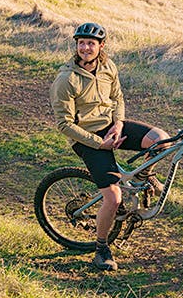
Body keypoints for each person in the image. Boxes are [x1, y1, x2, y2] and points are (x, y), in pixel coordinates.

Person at [50, 21, 167, 271]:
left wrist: (119, 124)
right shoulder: (66, 79)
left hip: (111, 127)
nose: (85, 48)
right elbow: (64, 124)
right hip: (86, 138)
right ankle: (101, 248)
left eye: (90, 43)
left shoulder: (108, 66)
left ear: (101, 46)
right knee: (113, 198)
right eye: (81, 43)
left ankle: (147, 176)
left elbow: (118, 98)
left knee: (160, 139)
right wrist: (99, 144)